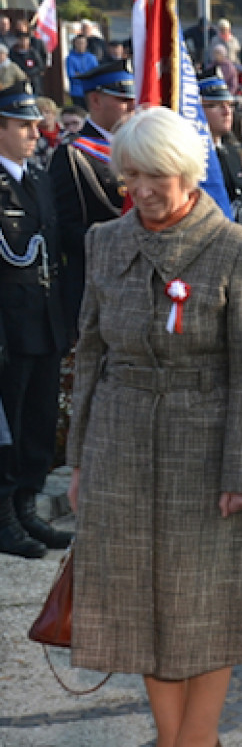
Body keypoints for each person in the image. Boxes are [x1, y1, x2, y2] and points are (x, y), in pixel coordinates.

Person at [66, 106, 242, 747]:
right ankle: (170, 737)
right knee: (138, 599)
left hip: (206, 446)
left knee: (204, 601)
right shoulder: (105, 240)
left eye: (157, 174)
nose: (143, 190)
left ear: (188, 172)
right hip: (119, 439)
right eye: (131, 176)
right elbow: (91, 351)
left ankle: (198, 738)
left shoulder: (239, 249)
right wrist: (79, 461)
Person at [0, 82, 71, 558]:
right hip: (9, 325)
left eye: (34, 124)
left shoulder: (38, 176)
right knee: (8, 422)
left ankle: (27, 507)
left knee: (39, 422)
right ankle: (5, 517)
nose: (34, 132)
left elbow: (55, 248)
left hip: (43, 321)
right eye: (23, 125)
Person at [49, 60, 135, 332]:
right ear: (95, 100)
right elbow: (66, 227)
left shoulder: (138, 148)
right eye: (122, 99)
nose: (132, 106)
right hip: (96, 280)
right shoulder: (74, 154)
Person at [199, 67, 242, 223]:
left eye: (229, 104)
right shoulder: (190, 157)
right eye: (215, 105)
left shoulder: (233, 153)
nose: (227, 111)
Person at [65, 36, 99, 108]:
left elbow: (96, 73)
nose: (81, 45)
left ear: (86, 44)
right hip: (77, 92)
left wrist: (81, 75)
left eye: (83, 43)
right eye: (79, 43)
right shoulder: (70, 58)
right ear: (75, 44)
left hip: (90, 91)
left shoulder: (91, 57)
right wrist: (87, 76)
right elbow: (72, 76)